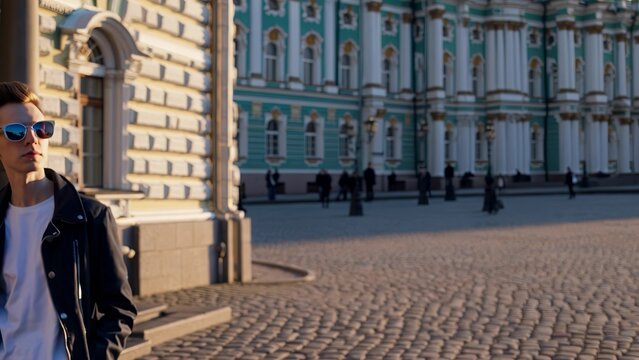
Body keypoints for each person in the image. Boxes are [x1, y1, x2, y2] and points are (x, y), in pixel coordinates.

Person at [0, 81, 136, 358]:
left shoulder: (91, 218)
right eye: (16, 132)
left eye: (41, 129)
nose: (32, 139)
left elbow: (119, 311)